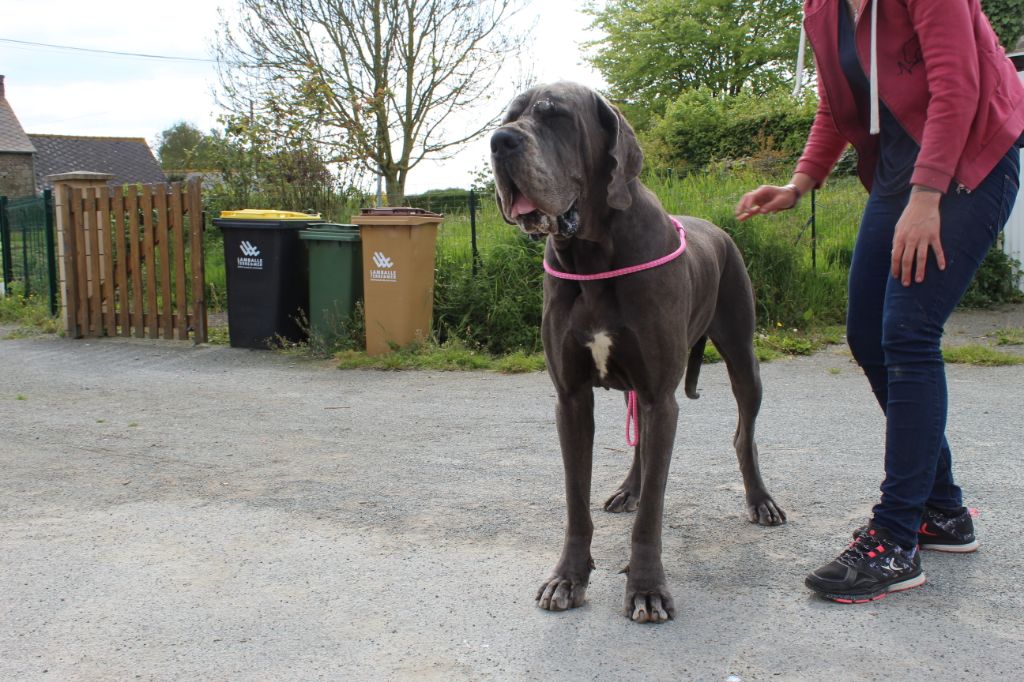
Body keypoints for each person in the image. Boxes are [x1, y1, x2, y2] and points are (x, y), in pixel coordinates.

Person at [735, 0, 1024, 603]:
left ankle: (895, 539)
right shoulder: (822, 10)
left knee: (909, 333)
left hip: (970, 158)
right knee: (868, 335)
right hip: (898, 170)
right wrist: (799, 183)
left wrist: (928, 196)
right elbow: (835, 107)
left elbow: (957, 86)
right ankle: (943, 513)